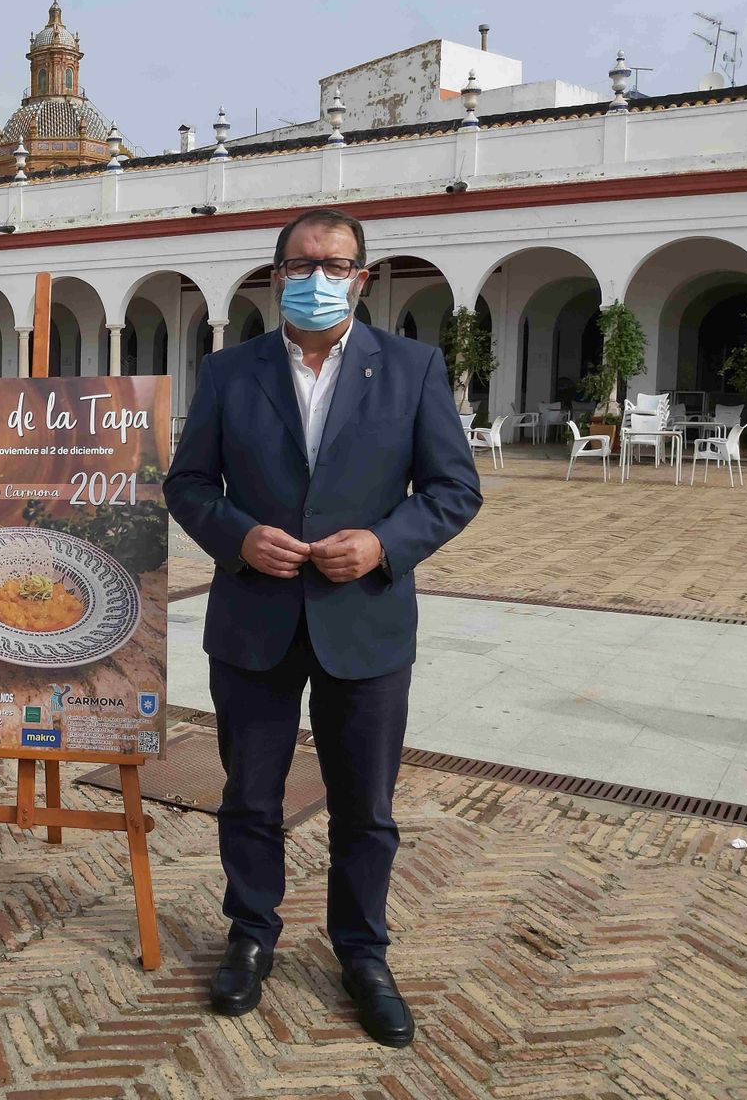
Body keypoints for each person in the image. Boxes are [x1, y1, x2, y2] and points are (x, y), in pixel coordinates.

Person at [164, 207, 481, 1048]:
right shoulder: (230, 373)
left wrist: (384, 542)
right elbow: (188, 483)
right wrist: (237, 537)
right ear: (274, 278)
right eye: (301, 266)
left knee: (366, 807)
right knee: (250, 796)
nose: (317, 280)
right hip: (255, 618)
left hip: (364, 620)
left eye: (335, 265)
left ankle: (363, 951)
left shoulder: (412, 368)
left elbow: (455, 490)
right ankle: (252, 933)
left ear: (362, 277)